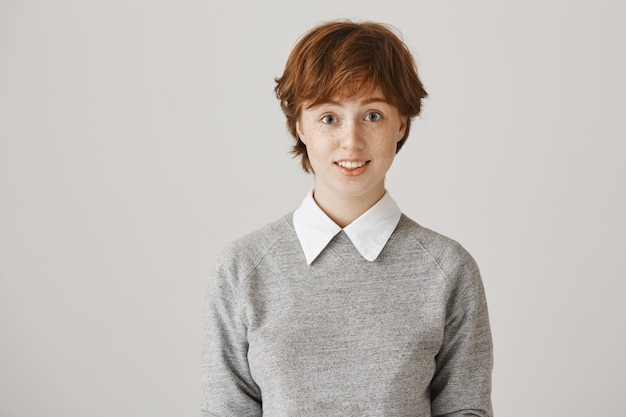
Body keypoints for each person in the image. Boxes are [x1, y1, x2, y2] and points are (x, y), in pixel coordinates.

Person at [202, 20, 493, 416]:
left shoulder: (448, 269)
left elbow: (466, 408)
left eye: (372, 115)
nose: (351, 141)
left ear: (401, 123)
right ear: (299, 124)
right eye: (329, 117)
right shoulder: (242, 268)